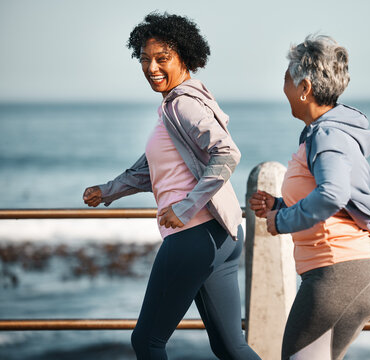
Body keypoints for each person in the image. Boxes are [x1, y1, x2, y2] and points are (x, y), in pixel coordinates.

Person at [83, 12, 260, 360]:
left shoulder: (183, 104)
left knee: (147, 341)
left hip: (194, 235)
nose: (152, 68)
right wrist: (109, 190)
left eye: (162, 59)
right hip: (221, 236)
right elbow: (152, 170)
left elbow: (226, 153)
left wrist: (184, 207)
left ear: (184, 57)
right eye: (145, 60)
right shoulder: (175, 106)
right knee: (229, 346)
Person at [249, 35, 370, 360]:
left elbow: (333, 194)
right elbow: (336, 200)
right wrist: (279, 205)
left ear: (305, 88)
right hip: (339, 270)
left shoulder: (328, 135)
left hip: (339, 271)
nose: (283, 88)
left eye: (286, 79)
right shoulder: (325, 132)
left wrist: (280, 221)